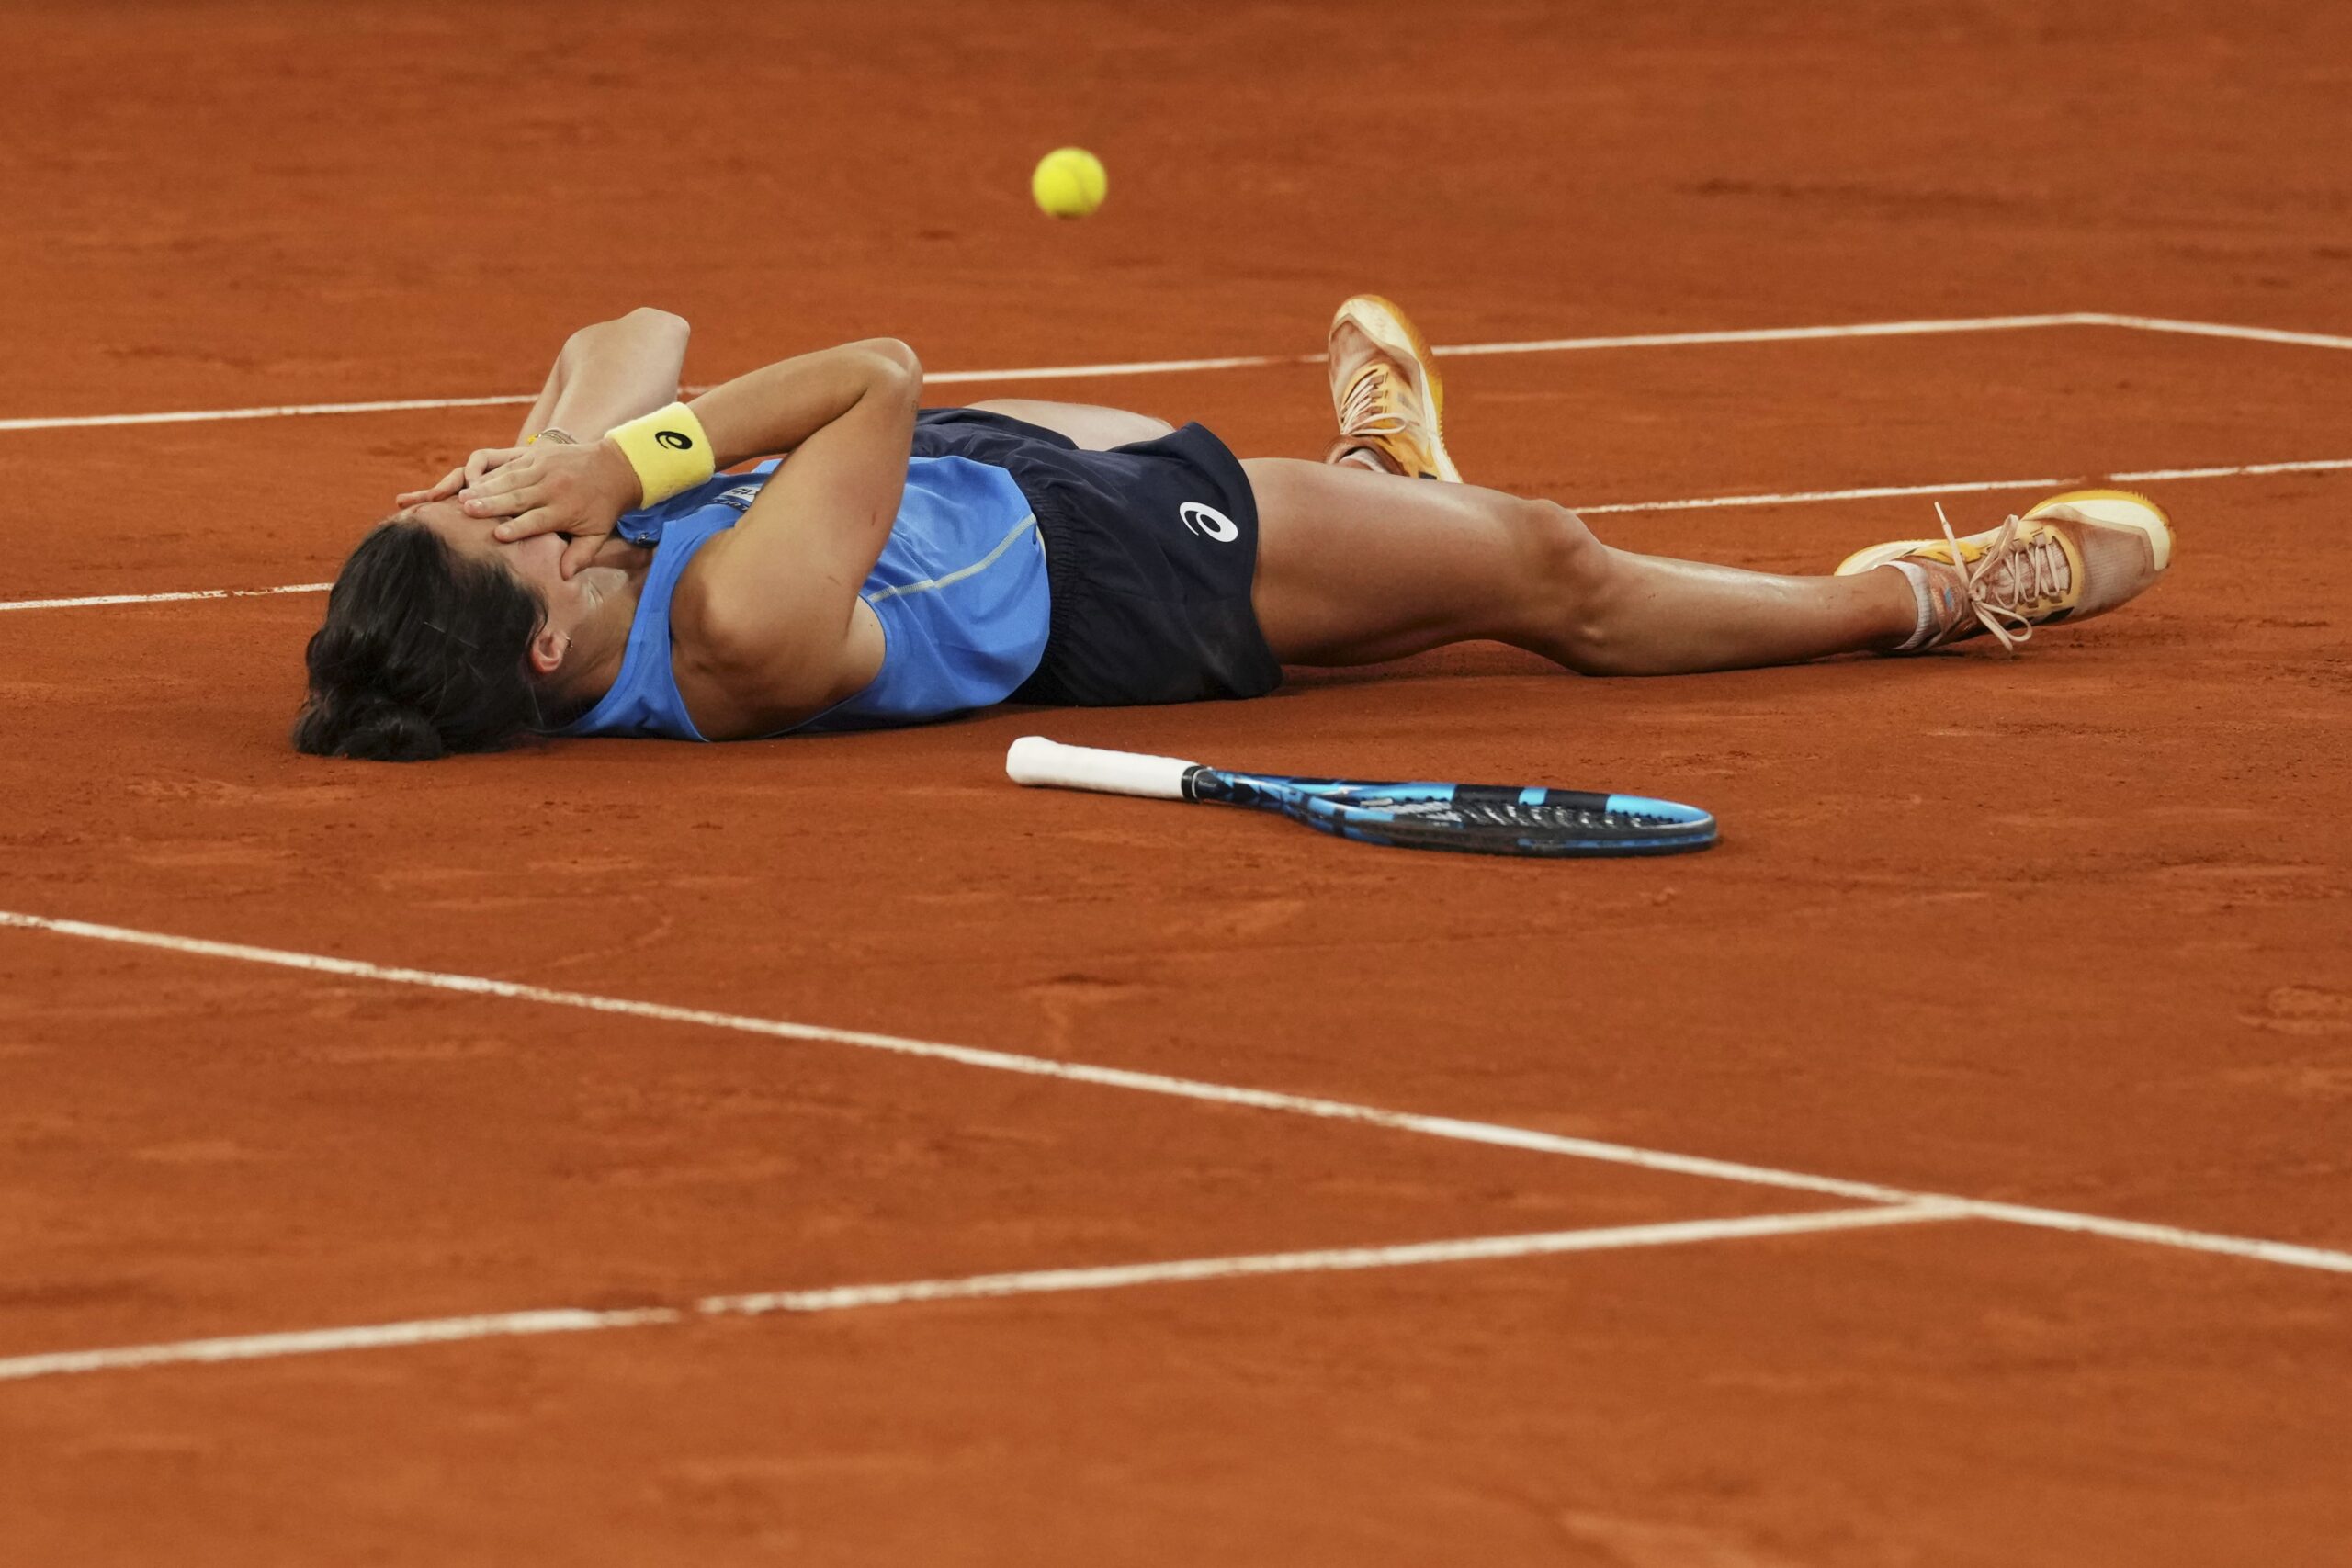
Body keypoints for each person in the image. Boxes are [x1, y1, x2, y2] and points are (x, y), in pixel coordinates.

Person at [292, 298, 2174, 761]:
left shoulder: (561, 602)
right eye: (511, 534)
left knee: (1412, 562)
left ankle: (1386, 496)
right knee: (1550, 578)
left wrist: (555, 463)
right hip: (1114, 580)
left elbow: (632, 333)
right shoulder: (728, 630)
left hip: (989, 479)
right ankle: (1914, 599)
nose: (515, 499)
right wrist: (622, 472)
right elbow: (870, 368)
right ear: (552, 645)